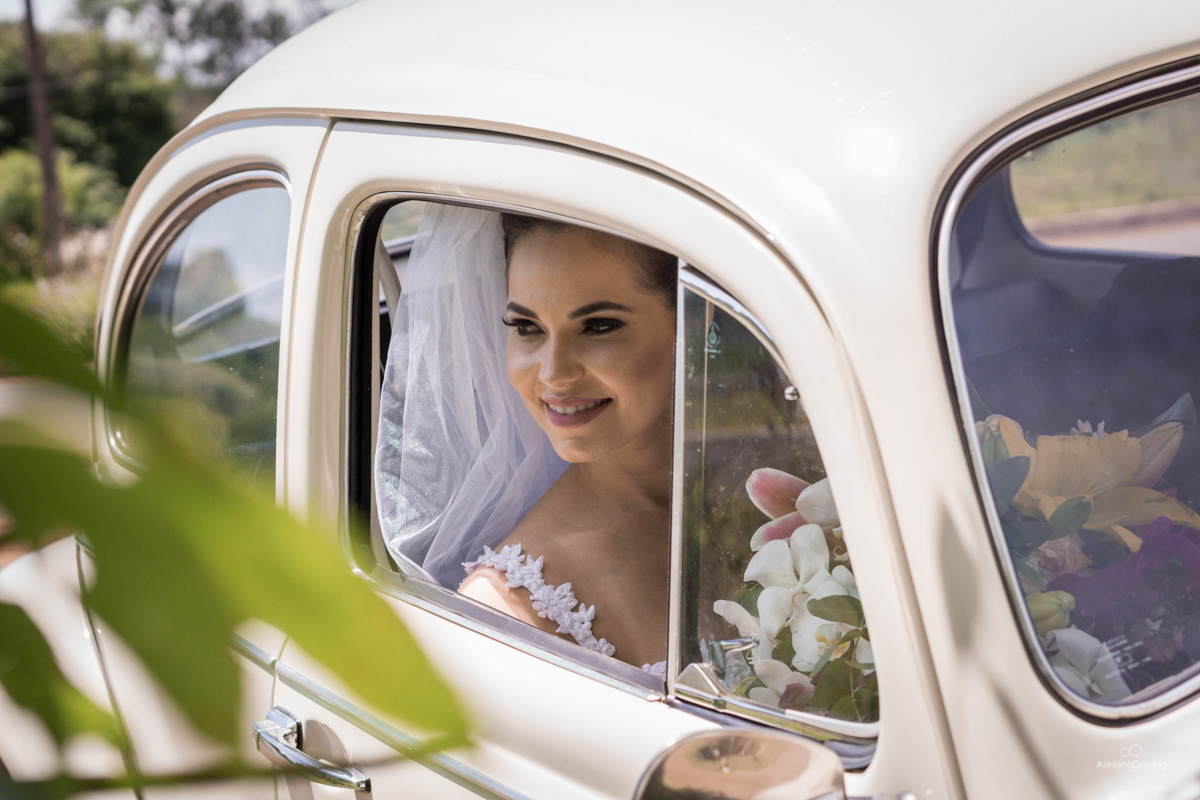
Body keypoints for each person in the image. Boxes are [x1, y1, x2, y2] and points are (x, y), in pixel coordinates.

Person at [375, 204, 675, 675]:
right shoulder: (511, 610)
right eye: (527, 327)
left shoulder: (787, 493)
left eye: (598, 326)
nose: (555, 374)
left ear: (695, 322)